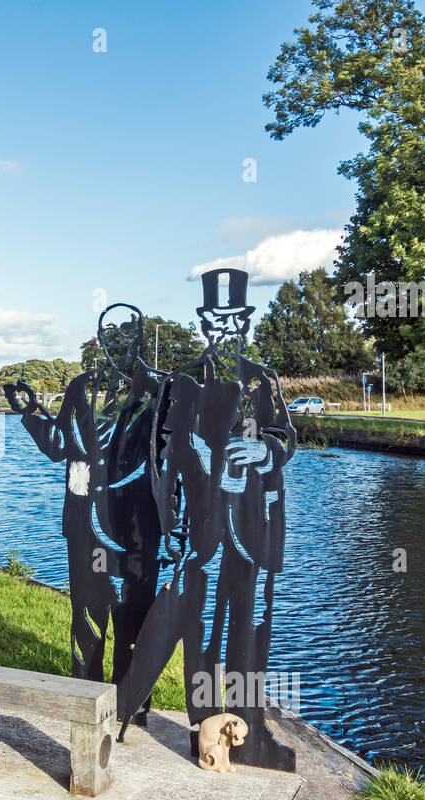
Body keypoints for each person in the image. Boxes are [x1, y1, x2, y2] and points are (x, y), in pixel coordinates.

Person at [119, 269, 296, 769]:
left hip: (249, 529)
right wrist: (170, 518)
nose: (225, 327)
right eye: (215, 319)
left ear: (245, 320)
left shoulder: (262, 377)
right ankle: (204, 726)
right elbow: (159, 456)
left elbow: (287, 434)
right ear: (203, 323)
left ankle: (249, 727)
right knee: (196, 626)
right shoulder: (182, 383)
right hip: (200, 527)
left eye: (233, 318)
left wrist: (266, 450)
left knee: (247, 625)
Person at [4, 304, 163, 725]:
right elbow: (59, 445)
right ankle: (87, 698)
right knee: (87, 615)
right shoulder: (81, 387)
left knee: (134, 616)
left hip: (137, 525)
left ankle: (131, 704)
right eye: (109, 336)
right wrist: (29, 411)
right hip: (85, 523)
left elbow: (176, 457)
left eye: (126, 337)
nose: (117, 344)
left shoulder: (160, 393)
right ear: (100, 341)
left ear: (140, 340)